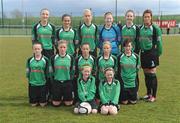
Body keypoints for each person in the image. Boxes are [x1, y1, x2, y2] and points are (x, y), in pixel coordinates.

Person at [138, 9, 162, 102]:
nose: (147, 18)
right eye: (145, 17)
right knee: (146, 74)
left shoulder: (155, 28)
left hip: (152, 53)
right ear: (143, 18)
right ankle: (148, 93)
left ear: (151, 18)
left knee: (152, 74)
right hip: (143, 54)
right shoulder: (140, 29)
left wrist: (158, 54)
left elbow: (159, 43)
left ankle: (154, 96)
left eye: (148, 16)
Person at [31, 8, 56, 101]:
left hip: (49, 51)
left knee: (49, 73)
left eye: (46, 14)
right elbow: (33, 40)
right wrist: (37, 49)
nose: (45, 16)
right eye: (43, 14)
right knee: (41, 73)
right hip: (39, 51)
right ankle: (42, 93)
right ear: (40, 15)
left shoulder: (52, 27)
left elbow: (55, 40)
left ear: (48, 16)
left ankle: (50, 93)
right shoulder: (35, 26)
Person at [50, 40, 74, 106]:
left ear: (66, 48)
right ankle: (59, 96)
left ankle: (65, 96)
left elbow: (72, 70)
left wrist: (69, 80)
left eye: (64, 47)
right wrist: (54, 80)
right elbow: (51, 71)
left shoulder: (71, 58)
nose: (62, 49)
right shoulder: (53, 58)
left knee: (68, 104)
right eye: (61, 47)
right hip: (57, 82)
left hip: (67, 82)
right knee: (55, 104)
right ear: (57, 47)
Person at [26, 42, 50, 107]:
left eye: (38, 49)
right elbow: (28, 73)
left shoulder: (46, 60)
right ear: (33, 50)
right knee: (33, 105)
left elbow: (48, 74)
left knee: (42, 104)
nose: (37, 50)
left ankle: (44, 98)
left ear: (41, 49)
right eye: (35, 49)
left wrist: (45, 82)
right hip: (33, 84)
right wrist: (31, 80)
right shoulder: (29, 60)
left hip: (42, 84)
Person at [118, 39, 140, 104]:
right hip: (124, 82)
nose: (128, 48)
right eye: (126, 46)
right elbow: (118, 70)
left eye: (129, 46)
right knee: (125, 102)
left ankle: (135, 93)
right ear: (124, 47)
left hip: (132, 82)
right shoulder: (120, 57)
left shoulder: (136, 56)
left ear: (132, 47)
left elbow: (137, 69)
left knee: (133, 102)